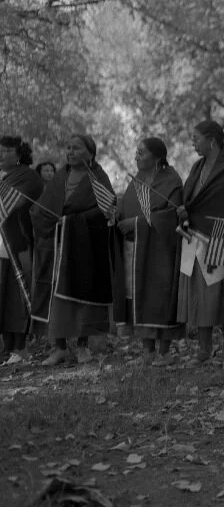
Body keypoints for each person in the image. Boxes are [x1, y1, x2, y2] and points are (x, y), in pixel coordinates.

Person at [31, 135, 115, 366]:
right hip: (56, 246)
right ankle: (59, 348)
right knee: (54, 296)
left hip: (84, 247)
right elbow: (45, 206)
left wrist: (71, 221)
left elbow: (105, 209)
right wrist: (40, 216)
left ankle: (82, 347)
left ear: (90, 152)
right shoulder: (60, 176)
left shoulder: (98, 177)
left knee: (82, 296)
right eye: (68, 147)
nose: (70, 151)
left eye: (76, 148)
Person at [176, 121, 224, 366]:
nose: (193, 143)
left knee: (222, 294)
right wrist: (183, 211)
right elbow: (190, 198)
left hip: (222, 239)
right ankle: (204, 347)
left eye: (196, 138)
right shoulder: (198, 166)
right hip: (194, 237)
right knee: (198, 292)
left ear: (212, 140)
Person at [112, 137, 184, 367]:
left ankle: (164, 352)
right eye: (136, 152)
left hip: (162, 251)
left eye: (141, 152)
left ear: (157, 157)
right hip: (136, 250)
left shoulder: (171, 180)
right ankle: (147, 351)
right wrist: (115, 216)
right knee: (139, 296)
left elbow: (171, 215)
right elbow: (125, 209)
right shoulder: (136, 182)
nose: (136, 156)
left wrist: (137, 223)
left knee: (159, 298)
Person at [0, 136, 45, 364]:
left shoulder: (27, 176)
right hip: (1, 247)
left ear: (19, 153)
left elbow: (14, 205)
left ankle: (21, 347)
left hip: (20, 244)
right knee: (2, 298)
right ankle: (7, 348)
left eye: (7, 150)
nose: (1, 154)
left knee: (19, 297)